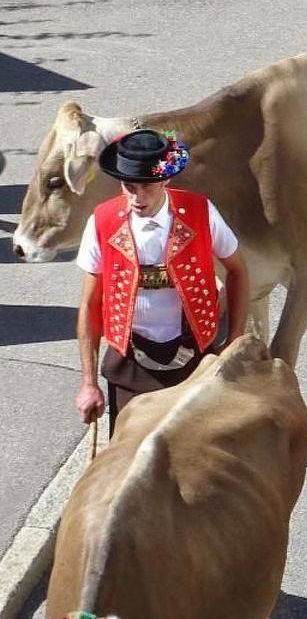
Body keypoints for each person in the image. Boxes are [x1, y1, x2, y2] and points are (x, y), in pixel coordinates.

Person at [75, 128, 250, 434]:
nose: (137, 198)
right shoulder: (101, 222)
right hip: (129, 362)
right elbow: (90, 305)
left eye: (147, 187)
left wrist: (233, 339)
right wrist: (89, 383)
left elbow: (238, 270)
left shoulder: (200, 212)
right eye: (129, 187)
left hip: (195, 357)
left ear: (165, 180)